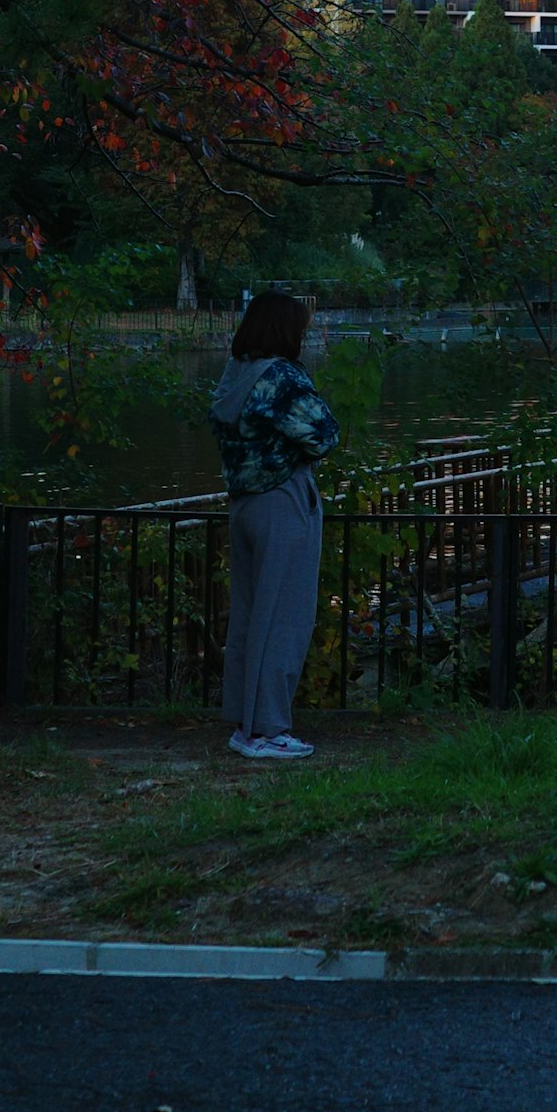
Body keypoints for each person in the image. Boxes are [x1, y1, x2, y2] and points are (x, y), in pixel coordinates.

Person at [209, 292, 341, 763]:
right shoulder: (281, 377)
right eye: (300, 329)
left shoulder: (235, 373)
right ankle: (267, 729)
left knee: (249, 614)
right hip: (283, 501)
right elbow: (325, 435)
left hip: (244, 504)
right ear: (286, 331)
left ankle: (247, 723)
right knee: (285, 615)